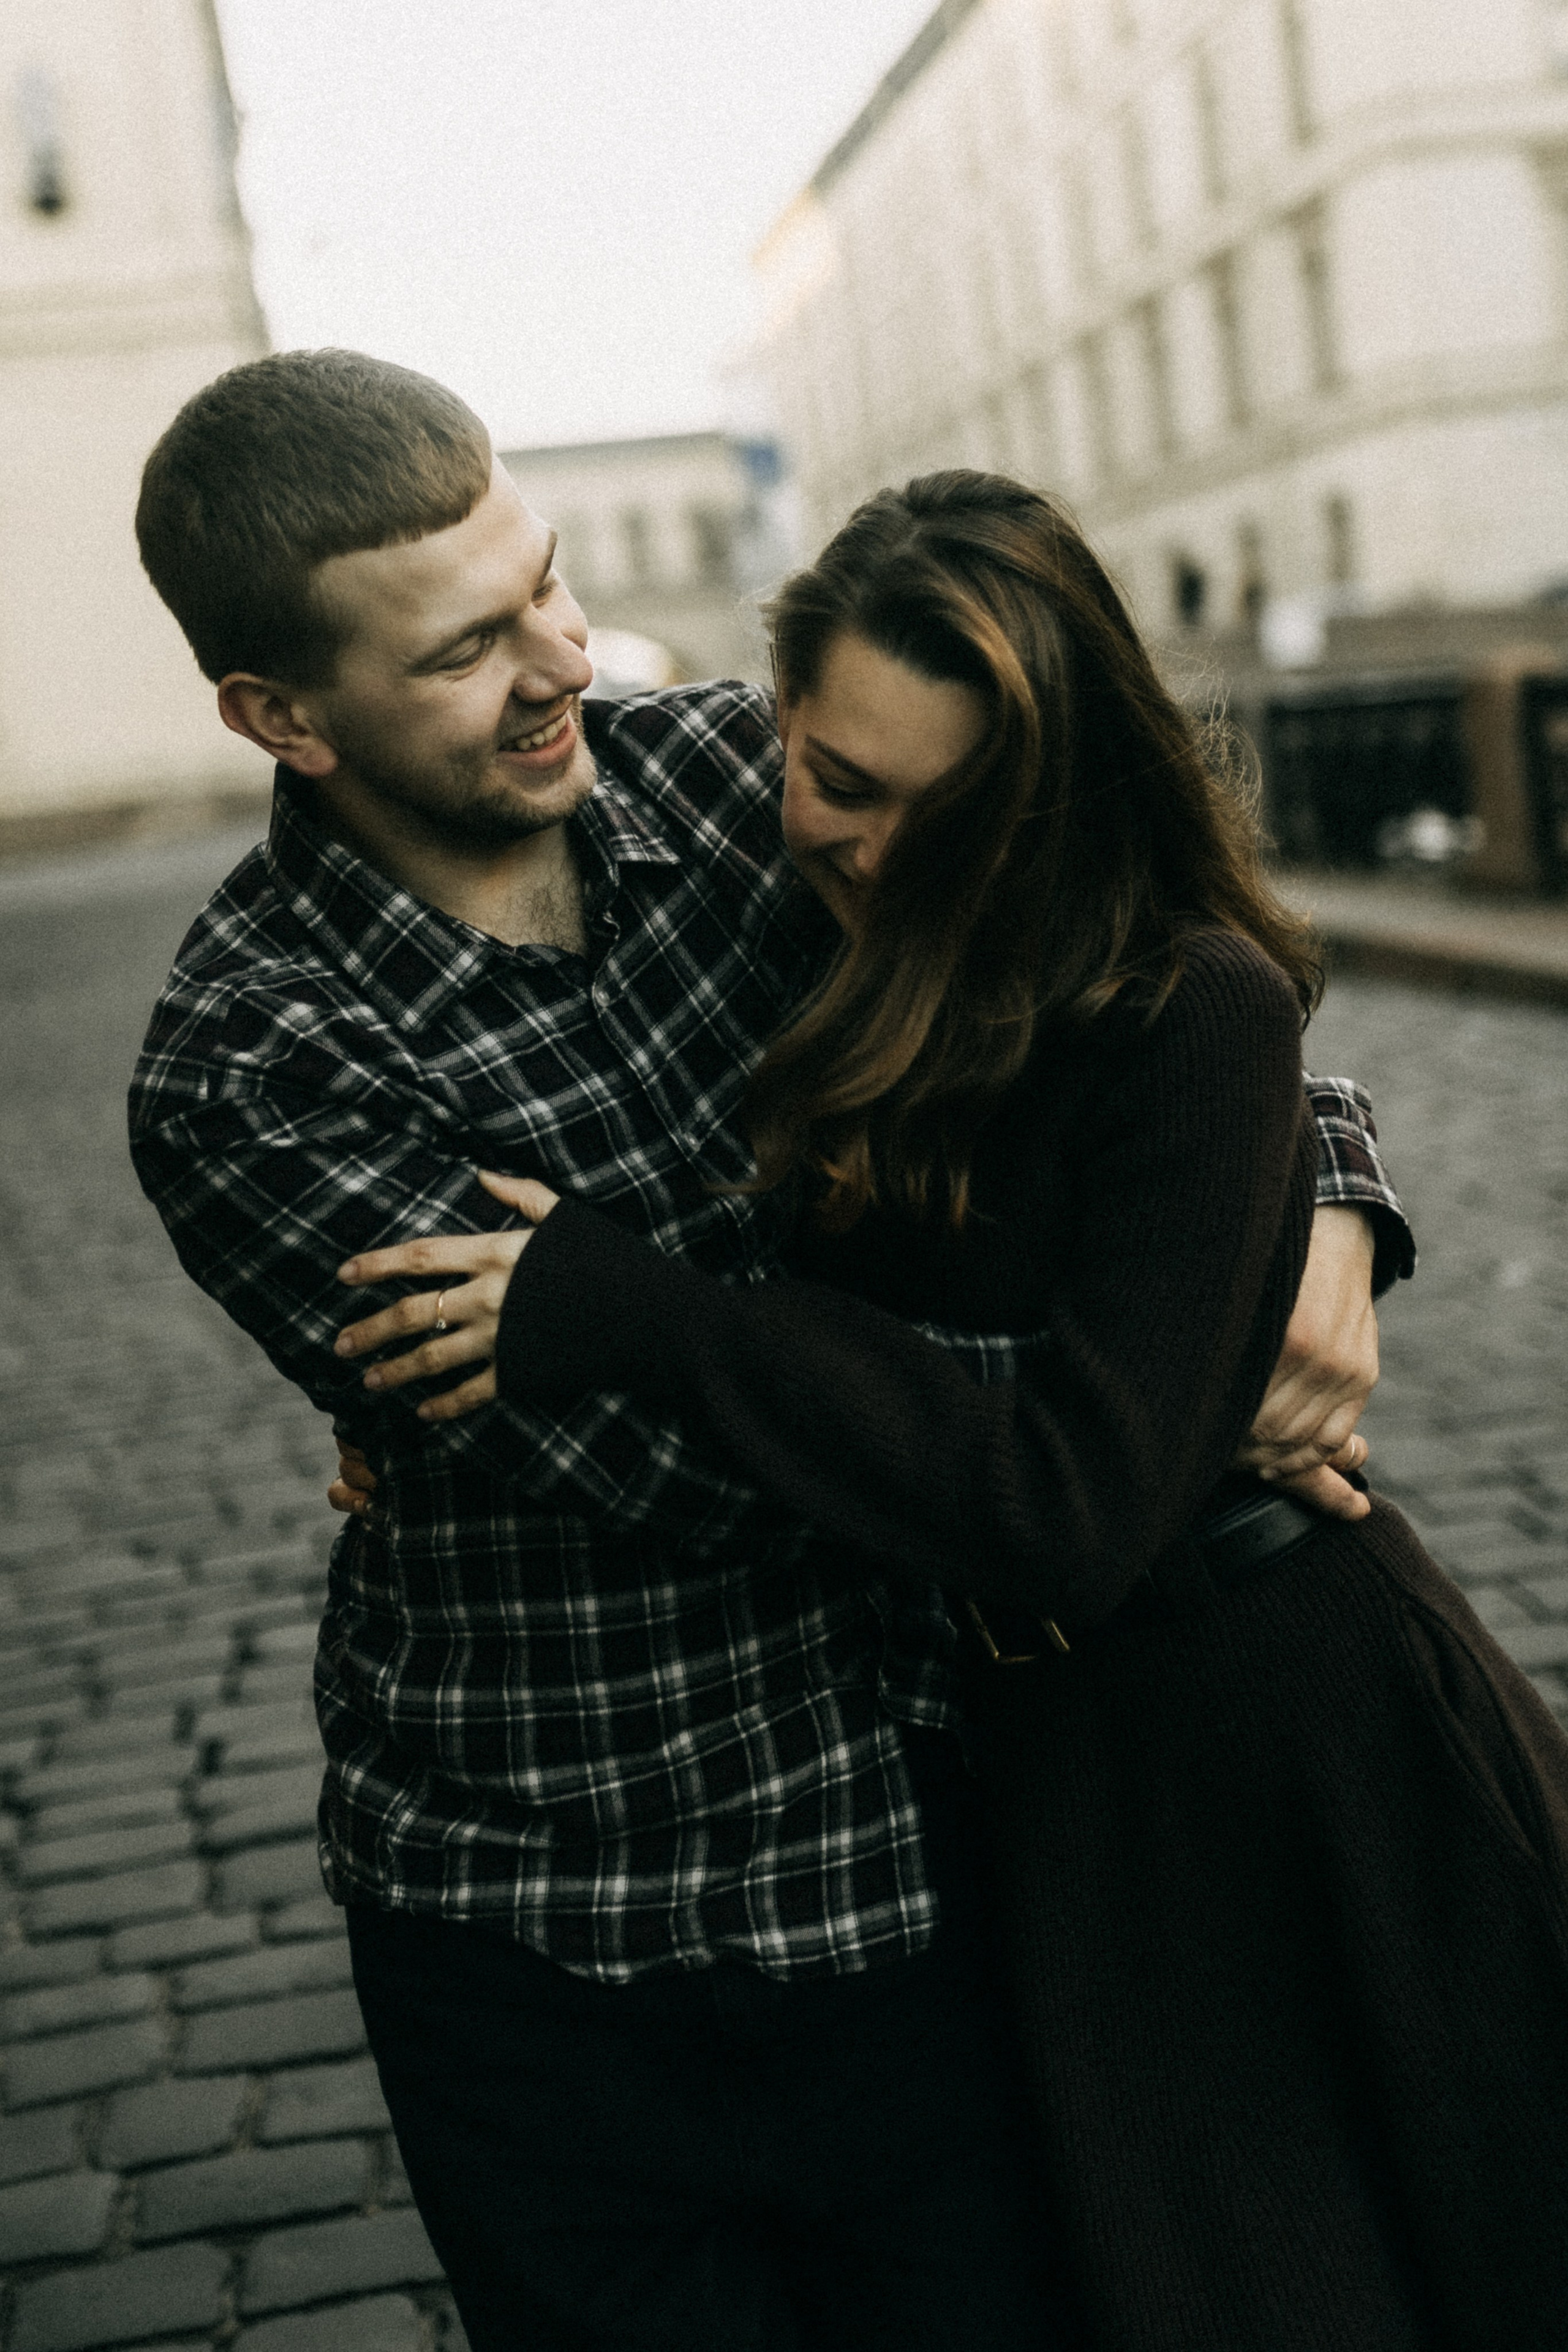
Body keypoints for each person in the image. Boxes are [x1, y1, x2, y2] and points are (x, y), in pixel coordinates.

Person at [130, 351, 1406, 2352]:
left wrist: (1321, 1181)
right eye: (468, 651)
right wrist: (1136, 1398)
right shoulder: (255, 1069)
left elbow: (1118, 969)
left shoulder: (756, 777)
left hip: (915, 1860)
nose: (562, 658)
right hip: (550, 1927)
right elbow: (695, 1479)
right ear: (282, 717)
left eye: (545, 583)